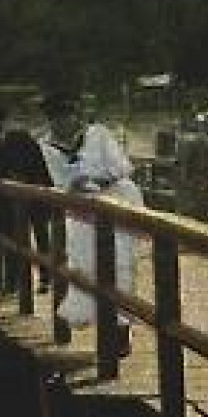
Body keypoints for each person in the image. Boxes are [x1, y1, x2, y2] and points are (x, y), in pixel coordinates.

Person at [37, 91, 143, 354]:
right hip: (81, 211)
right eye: (56, 118)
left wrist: (97, 180)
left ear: (76, 116)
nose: (62, 122)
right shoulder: (46, 147)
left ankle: (121, 331)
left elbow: (122, 167)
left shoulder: (98, 135)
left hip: (116, 201)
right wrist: (75, 185)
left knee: (120, 265)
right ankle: (103, 325)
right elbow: (57, 180)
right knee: (86, 265)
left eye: (67, 115)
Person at [0, 101, 53, 293]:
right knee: (12, 239)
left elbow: (38, 163)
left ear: (6, 121)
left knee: (41, 235)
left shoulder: (22, 138)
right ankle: (13, 283)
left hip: (32, 193)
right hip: (6, 200)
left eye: (0, 120)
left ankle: (46, 277)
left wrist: (38, 186)